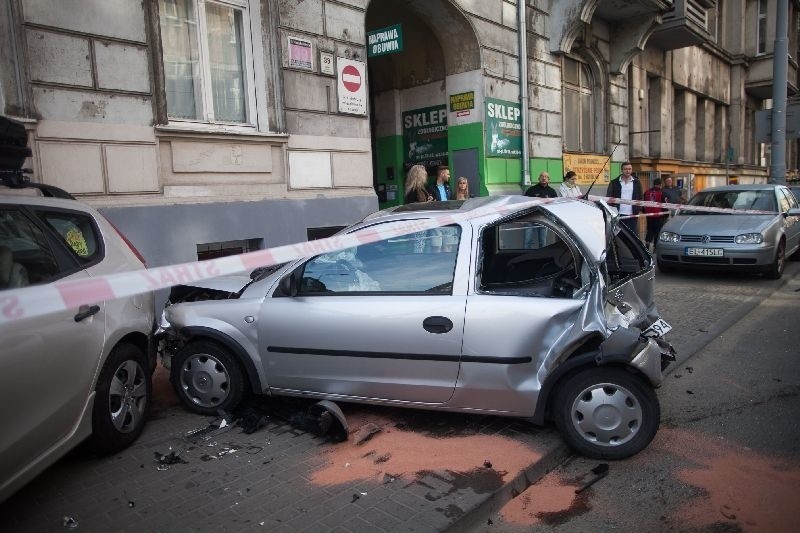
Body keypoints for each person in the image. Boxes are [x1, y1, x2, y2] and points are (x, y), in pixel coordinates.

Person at [606, 162, 643, 235]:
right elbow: (609, 197)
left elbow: (640, 197)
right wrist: (611, 211)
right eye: (625, 169)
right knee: (618, 235)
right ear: (622, 170)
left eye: (629, 169)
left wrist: (638, 208)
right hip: (618, 214)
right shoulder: (614, 182)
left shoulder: (637, 182)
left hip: (632, 214)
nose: (628, 171)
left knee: (632, 235)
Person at [642, 178, 667, 252]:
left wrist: (645, 211)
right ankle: (655, 248)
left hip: (649, 215)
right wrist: (665, 214)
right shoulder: (662, 193)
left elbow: (643, 203)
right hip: (659, 216)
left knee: (649, 230)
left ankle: (647, 244)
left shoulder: (647, 192)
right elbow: (664, 205)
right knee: (657, 232)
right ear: (660, 184)